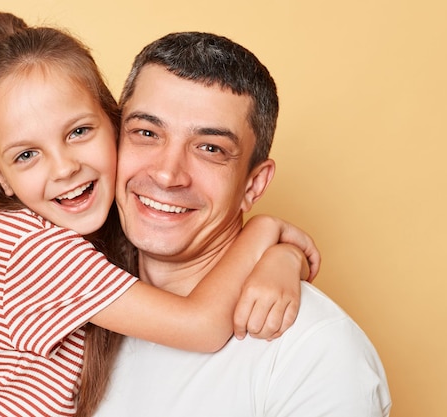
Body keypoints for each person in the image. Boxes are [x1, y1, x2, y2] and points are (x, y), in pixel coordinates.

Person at [0, 13, 320, 417]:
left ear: (114, 125)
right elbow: (199, 325)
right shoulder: (28, 249)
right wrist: (264, 230)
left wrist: (282, 258)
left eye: (78, 132)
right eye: (26, 155)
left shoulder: (99, 234)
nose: (64, 169)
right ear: (0, 176)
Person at [93, 32, 392, 416]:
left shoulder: (312, 351)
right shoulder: (73, 306)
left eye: (210, 148)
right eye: (147, 133)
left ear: (254, 184)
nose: (168, 175)